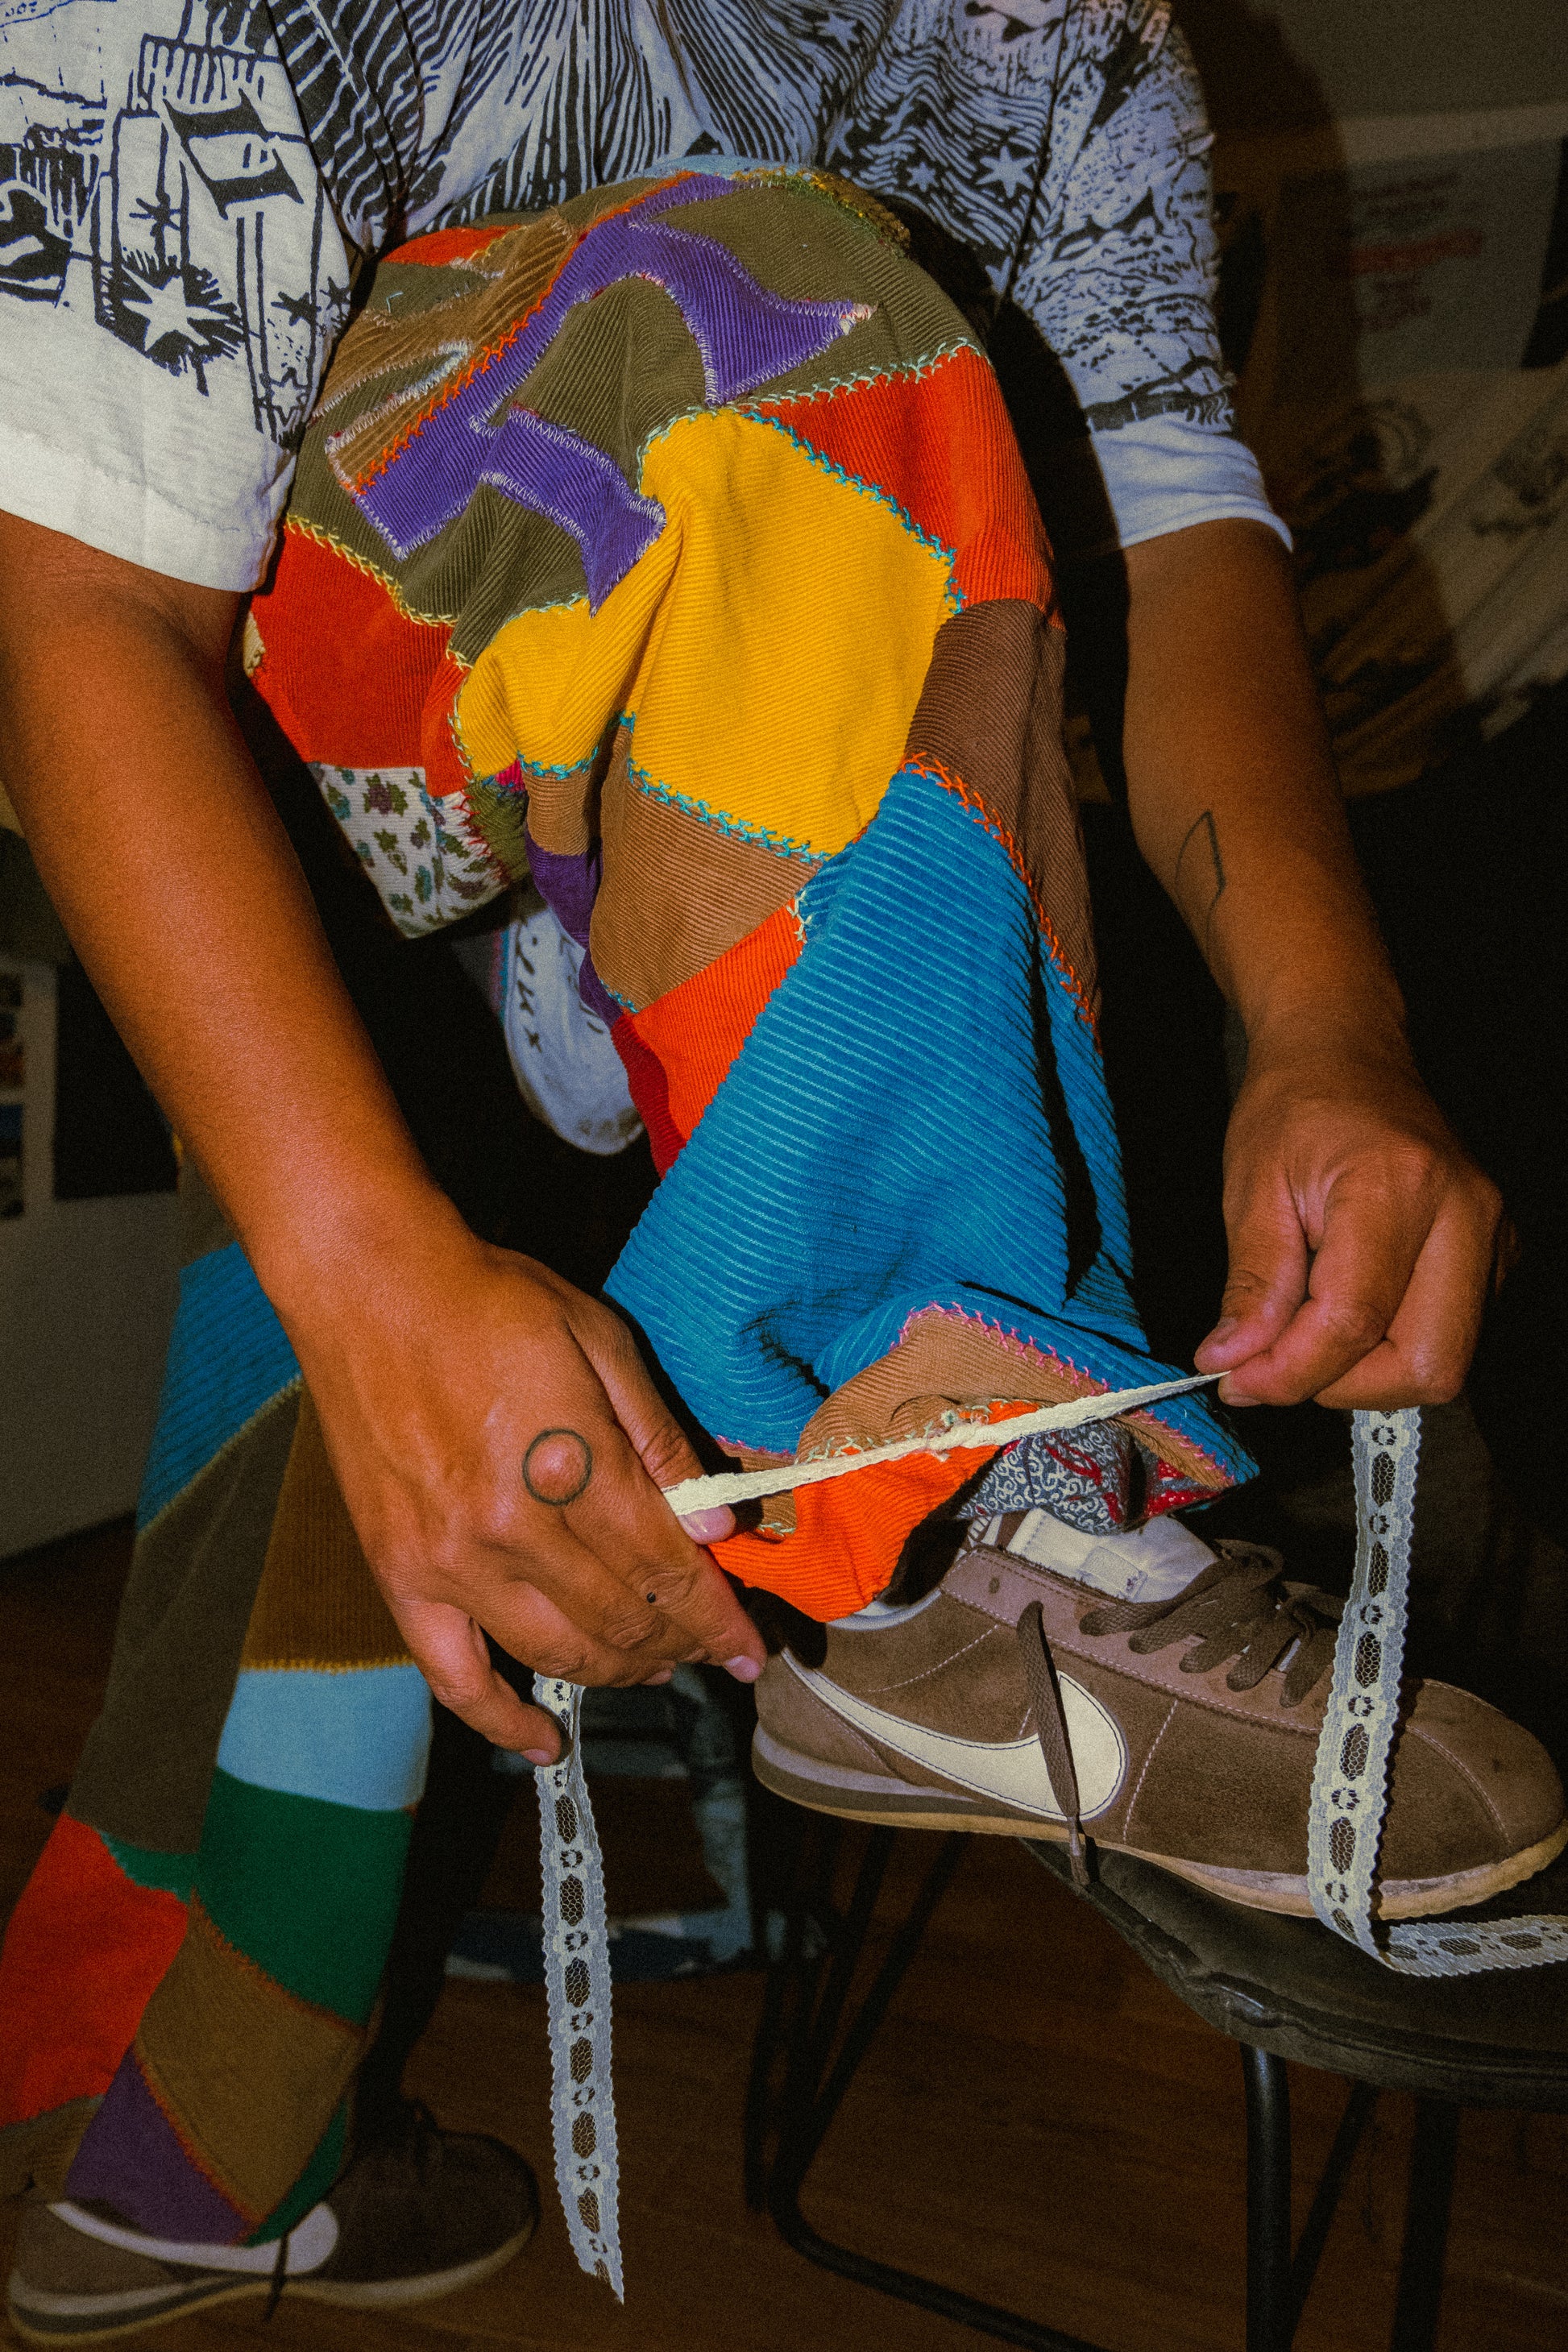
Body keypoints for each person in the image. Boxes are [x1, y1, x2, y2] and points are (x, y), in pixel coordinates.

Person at [1, 3, 1552, 2338]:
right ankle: (940, 1492)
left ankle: (159, 2153)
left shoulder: (1069, 40)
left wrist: (1331, 1024)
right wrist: (368, 1256)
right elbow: (78, 601)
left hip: (575, 738)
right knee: (768, 300)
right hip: (160, 639)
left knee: (360, 1419)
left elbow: (1180, 527)